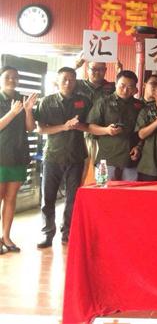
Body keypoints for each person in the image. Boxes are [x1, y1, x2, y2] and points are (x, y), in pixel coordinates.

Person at [35, 67, 92, 247]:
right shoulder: (47, 101)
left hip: (76, 155)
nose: (68, 83)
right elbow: (41, 129)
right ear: (58, 81)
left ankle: (67, 232)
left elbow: (90, 125)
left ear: (76, 81)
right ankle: (47, 234)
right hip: (53, 155)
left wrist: (79, 126)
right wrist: (64, 127)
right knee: (48, 198)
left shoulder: (84, 101)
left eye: (72, 79)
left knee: (72, 198)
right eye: (65, 79)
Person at [0, 67, 37, 253]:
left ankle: (6, 237)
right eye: (8, 77)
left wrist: (28, 110)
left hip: (18, 155)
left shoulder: (22, 99)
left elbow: (30, 128)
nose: (12, 80)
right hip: (1, 155)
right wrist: (13, 113)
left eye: (15, 77)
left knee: (11, 197)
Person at [87, 70, 144, 181]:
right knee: (105, 189)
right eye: (122, 86)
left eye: (130, 87)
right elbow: (90, 127)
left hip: (131, 158)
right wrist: (106, 130)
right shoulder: (103, 102)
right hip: (108, 157)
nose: (125, 90)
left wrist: (139, 146)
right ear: (116, 84)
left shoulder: (139, 105)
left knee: (130, 191)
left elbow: (143, 130)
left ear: (135, 88)